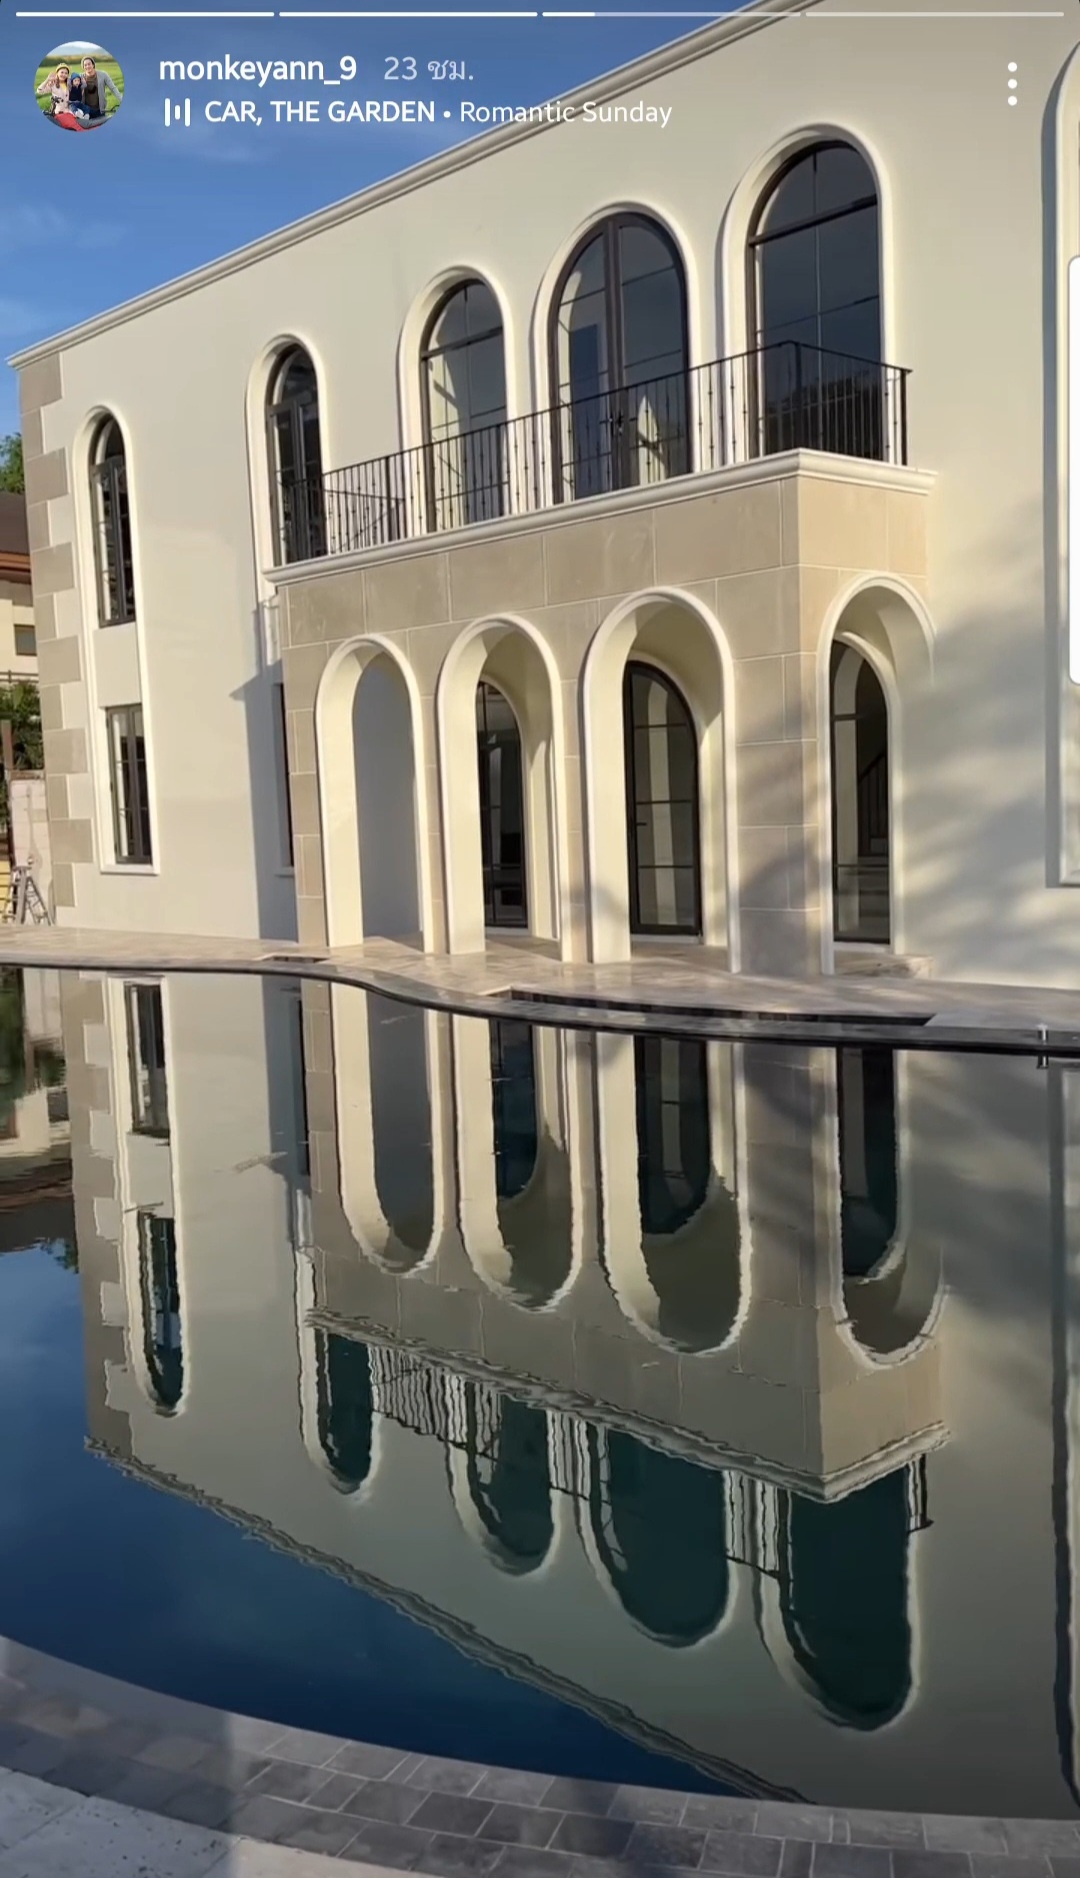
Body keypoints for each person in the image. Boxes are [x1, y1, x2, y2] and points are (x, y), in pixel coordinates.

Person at [70, 56, 121, 124]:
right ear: (83, 67)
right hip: (86, 111)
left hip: (100, 110)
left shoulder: (103, 75)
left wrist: (121, 100)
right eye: (85, 65)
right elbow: (69, 85)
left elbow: (113, 88)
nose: (87, 66)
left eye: (89, 64)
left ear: (93, 64)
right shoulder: (80, 77)